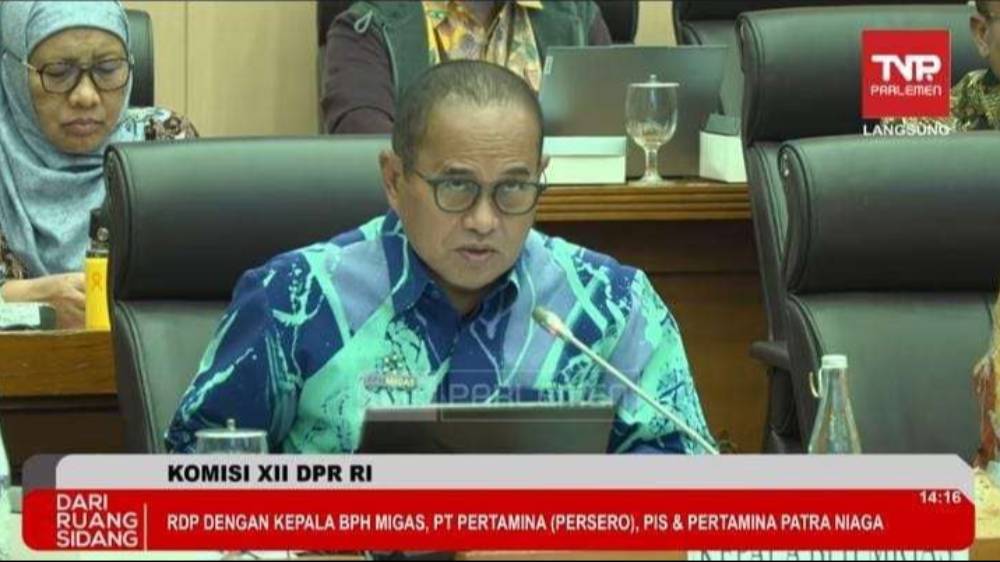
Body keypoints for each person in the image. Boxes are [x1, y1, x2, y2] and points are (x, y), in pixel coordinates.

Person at [168, 60, 712, 455]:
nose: (484, 220)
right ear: (393, 179)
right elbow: (198, 471)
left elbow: (684, 474)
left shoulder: (611, 303)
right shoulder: (298, 299)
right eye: (456, 187)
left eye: (513, 188)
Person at [0, 1, 197, 329]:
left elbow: (210, 283)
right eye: (58, 73)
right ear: (14, 73)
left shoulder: (163, 143)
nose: (86, 96)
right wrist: (28, 298)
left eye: (107, 69)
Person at [321, 1, 611, 134]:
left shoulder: (577, 18)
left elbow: (620, 135)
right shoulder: (368, 29)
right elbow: (370, 156)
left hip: (568, 217)